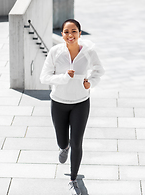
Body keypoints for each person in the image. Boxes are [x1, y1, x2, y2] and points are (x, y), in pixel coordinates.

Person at [40, 19, 105, 195]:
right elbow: (44, 77)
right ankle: (63, 147)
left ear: (79, 33)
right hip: (59, 102)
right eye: (66, 32)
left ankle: (73, 179)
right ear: (61, 34)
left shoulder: (88, 52)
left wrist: (90, 82)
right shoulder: (55, 52)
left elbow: (99, 71)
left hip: (81, 103)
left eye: (74, 31)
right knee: (63, 141)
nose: (70, 35)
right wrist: (63, 78)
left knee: (77, 142)